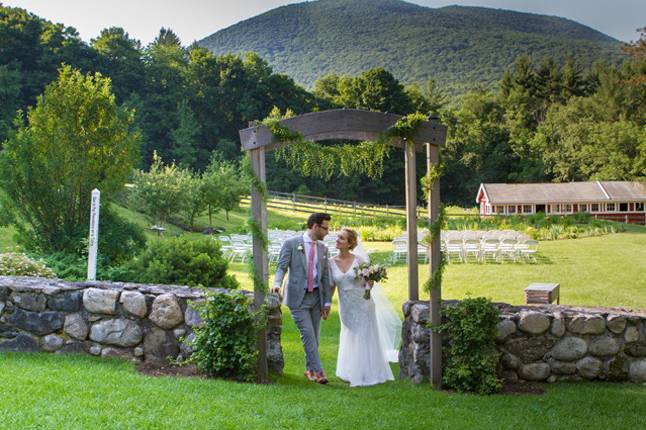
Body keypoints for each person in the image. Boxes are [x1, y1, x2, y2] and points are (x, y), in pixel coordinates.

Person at [329, 227, 401, 387]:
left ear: (350, 243)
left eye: (341, 238)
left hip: (363, 303)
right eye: (337, 237)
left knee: (364, 335)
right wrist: (327, 304)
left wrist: (370, 283)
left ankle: (365, 372)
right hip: (345, 305)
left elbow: (369, 281)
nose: (337, 240)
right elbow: (331, 286)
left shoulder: (359, 260)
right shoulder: (331, 262)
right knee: (349, 333)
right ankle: (348, 370)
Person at [271, 213, 332, 384]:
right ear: (315, 226)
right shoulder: (291, 244)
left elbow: (325, 277)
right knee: (308, 335)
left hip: (317, 298)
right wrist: (277, 283)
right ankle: (319, 371)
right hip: (298, 297)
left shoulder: (323, 249)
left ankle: (309, 370)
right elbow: (281, 266)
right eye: (325, 228)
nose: (327, 232)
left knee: (315, 337)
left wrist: (327, 301)